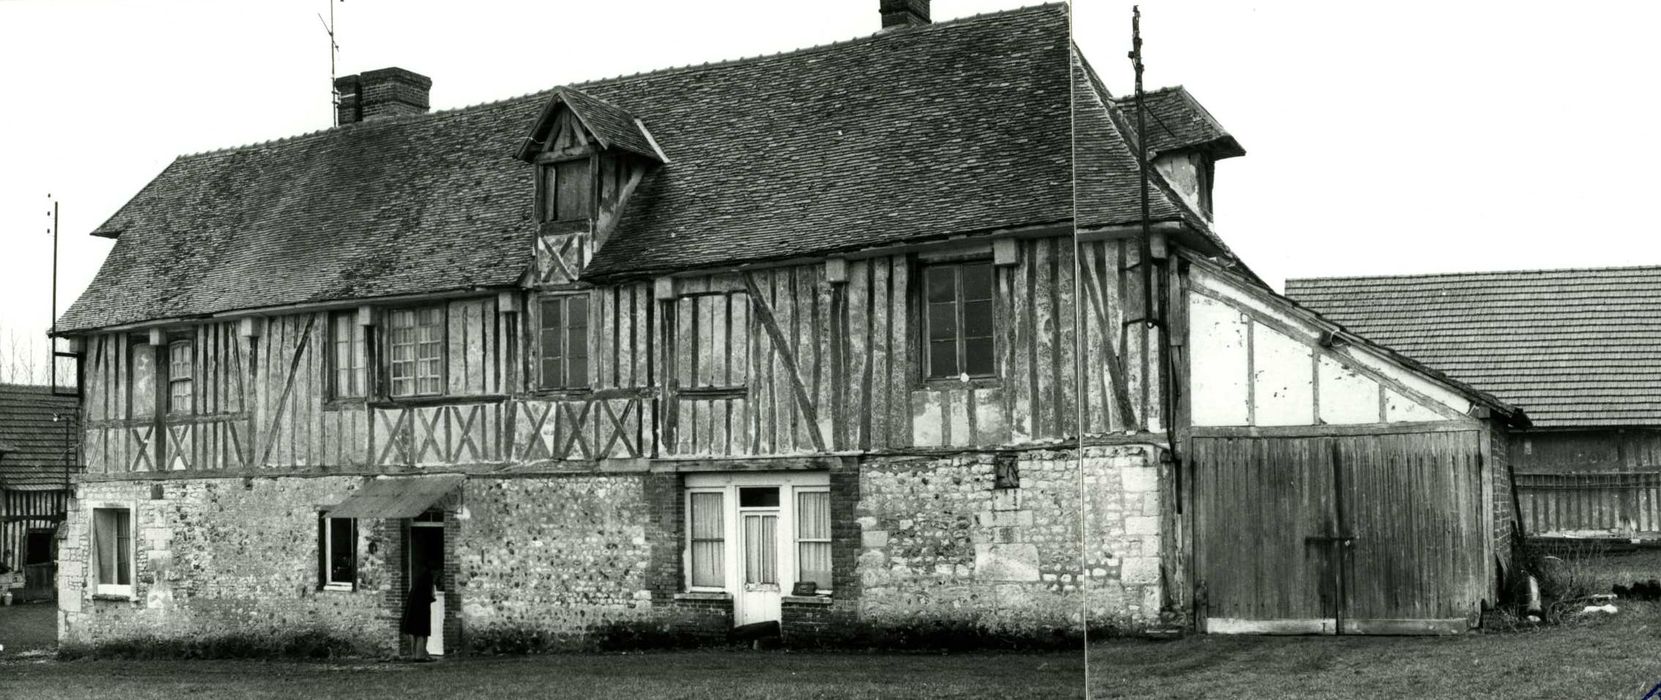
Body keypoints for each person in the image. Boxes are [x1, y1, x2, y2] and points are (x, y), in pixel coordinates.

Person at [400, 570, 436, 661]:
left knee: (415, 632)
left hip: (413, 615)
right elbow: (430, 597)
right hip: (421, 614)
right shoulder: (424, 591)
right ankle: (420, 655)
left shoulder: (415, 590)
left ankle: (416, 654)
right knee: (421, 632)